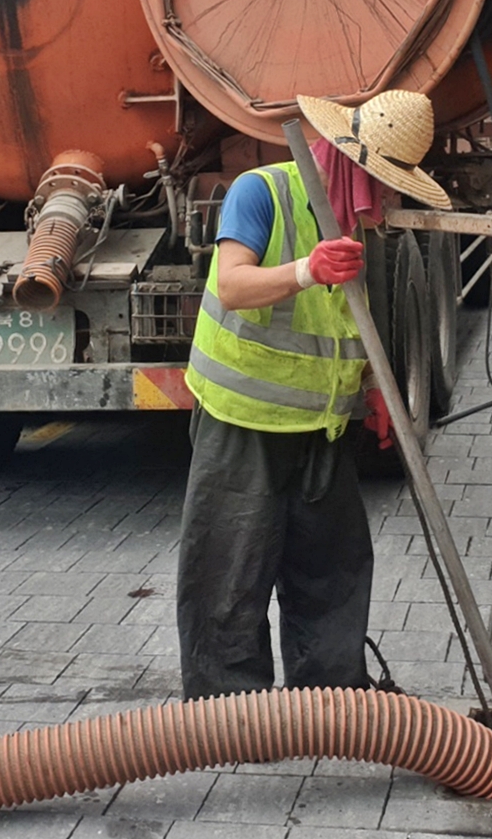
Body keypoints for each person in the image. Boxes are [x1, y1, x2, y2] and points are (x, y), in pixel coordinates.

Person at [178, 88, 451, 699]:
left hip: (322, 426)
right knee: (230, 573)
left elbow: (343, 322)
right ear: (352, 167)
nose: (385, 199)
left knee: (334, 571)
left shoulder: (355, 221)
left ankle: (330, 698)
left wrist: (371, 390)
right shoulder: (263, 191)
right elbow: (233, 285)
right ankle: (226, 711)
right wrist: (307, 268)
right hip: (242, 421)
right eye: (381, 181)